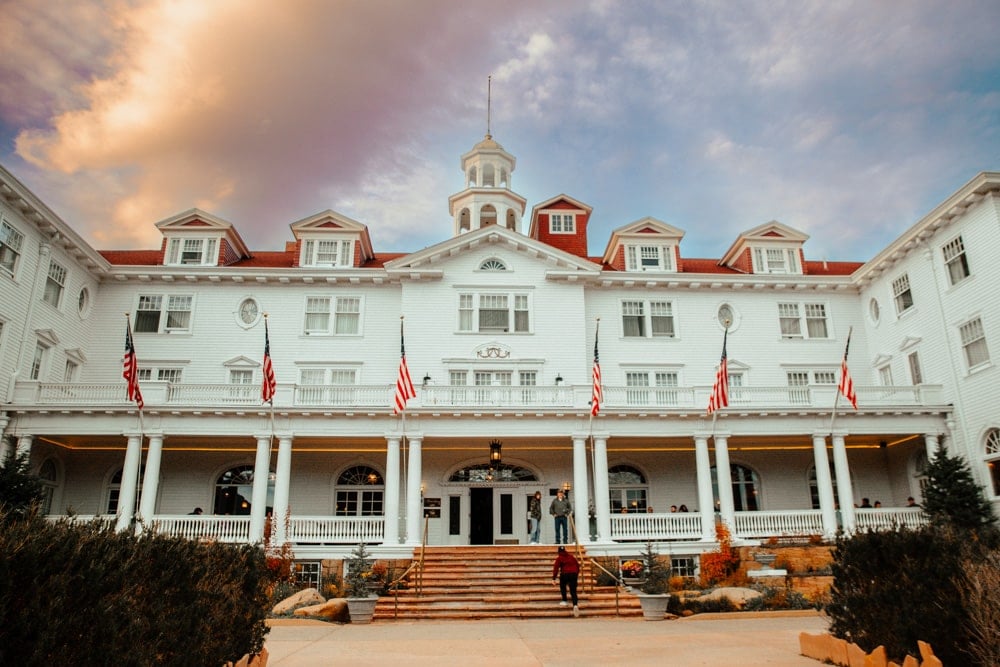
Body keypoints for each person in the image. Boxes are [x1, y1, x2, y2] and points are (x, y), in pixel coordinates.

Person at [552, 545, 580, 617]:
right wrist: (576, 574)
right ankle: (575, 605)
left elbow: (556, 568)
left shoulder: (559, 558)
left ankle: (564, 600)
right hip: (574, 573)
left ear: (559, 552)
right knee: (573, 591)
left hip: (565, 574)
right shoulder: (571, 557)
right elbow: (577, 565)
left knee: (562, 586)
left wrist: (554, 578)